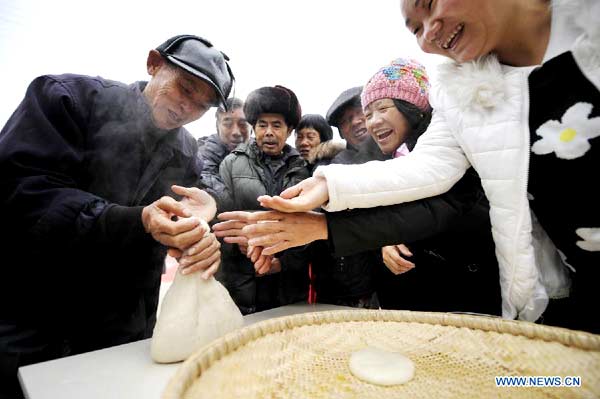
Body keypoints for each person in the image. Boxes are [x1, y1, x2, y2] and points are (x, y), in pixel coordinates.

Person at [254, 0, 599, 332]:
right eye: (415, 28)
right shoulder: (463, 96)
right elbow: (429, 169)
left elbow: (447, 206)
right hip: (568, 291)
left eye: (430, 4)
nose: (429, 32)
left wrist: (327, 223)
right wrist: (327, 185)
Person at [0, 34, 233, 398]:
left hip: (124, 325)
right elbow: (22, 196)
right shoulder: (66, 99)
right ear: (154, 63)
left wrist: (197, 238)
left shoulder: (188, 152)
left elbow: (182, 218)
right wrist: (135, 220)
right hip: (36, 316)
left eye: (201, 106)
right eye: (184, 88)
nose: (186, 108)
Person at [216, 58, 502, 315]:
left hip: (469, 300)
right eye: (367, 113)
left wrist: (324, 214)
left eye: (381, 109)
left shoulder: (455, 147)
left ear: (413, 105)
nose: (370, 121)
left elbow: (434, 209)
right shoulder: (372, 159)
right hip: (405, 302)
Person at [215, 85, 310, 315]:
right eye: (262, 125)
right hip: (243, 282)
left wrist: (283, 263)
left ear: (288, 131)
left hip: (288, 285)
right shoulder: (230, 163)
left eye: (277, 125)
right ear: (254, 128)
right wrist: (241, 246)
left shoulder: (303, 169)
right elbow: (220, 219)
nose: (269, 132)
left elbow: (309, 227)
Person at [197, 97, 250, 192]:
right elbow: (205, 179)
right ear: (218, 127)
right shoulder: (204, 153)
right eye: (228, 124)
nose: (236, 132)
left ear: (252, 128)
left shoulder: (262, 149)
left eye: (243, 124)